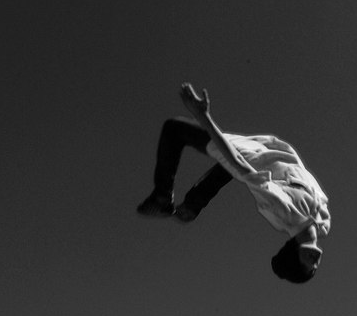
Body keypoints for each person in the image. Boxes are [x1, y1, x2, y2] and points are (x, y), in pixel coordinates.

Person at [137, 83, 330, 283]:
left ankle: (162, 198)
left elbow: (240, 167)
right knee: (231, 171)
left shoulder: (283, 212)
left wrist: (204, 117)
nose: (314, 263)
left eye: (307, 266)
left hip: (244, 154)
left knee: (175, 128)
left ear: (294, 256)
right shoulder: (324, 223)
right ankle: (192, 205)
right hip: (264, 148)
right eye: (314, 269)